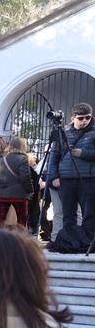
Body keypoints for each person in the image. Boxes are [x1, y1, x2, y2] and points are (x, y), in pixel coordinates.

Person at [45, 101, 95, 251]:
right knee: (68, 214)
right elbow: (54, 157)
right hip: (66, 179)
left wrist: (83, 154)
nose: (84, 120)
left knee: (89, 214)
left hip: (88, 178)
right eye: (81, 118)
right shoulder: (63, 133)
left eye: (88, 117)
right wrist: (53, 177)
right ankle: (70, 243)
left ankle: (88, 244)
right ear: (73, 117)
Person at [0, 135, 34, 228]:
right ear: (23, 146)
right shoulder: (23, 158)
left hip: (2, 194)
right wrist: (30, 189)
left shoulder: (2, 159)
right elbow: (25, 177)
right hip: (19, 195)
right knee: (21, 221)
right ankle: (20, 241)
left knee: (0, 220)